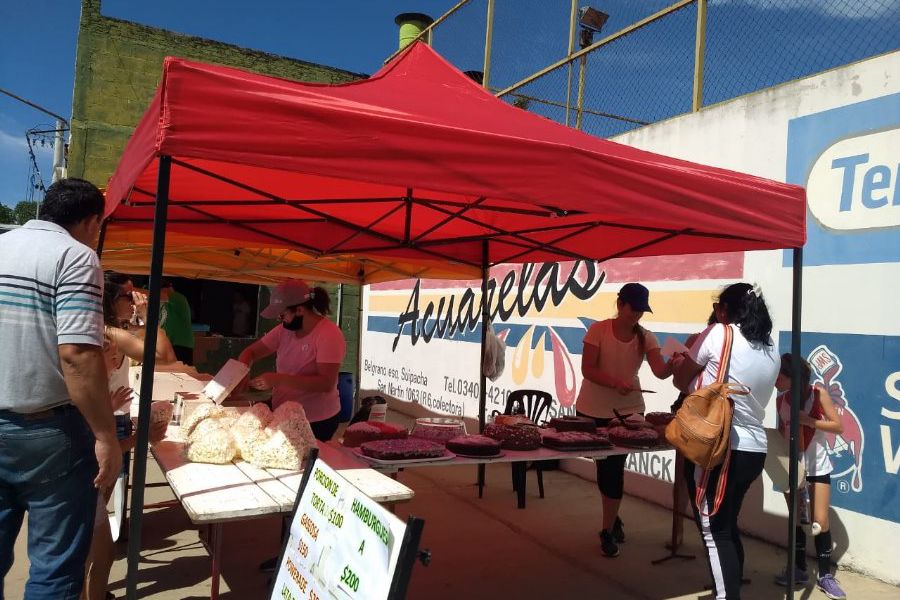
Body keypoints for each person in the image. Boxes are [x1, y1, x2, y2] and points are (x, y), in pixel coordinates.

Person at [0, 178, 122, 599]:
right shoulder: (75, 257)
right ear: (92, 221)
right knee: (54, 568)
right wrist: (107, 437)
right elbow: (77, 355)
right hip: (48, 432)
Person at [671, 282, 779, 600]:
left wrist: (681, 363)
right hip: (753, 448)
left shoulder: (719, 333)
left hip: (722, 447)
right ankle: (731, 586)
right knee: (727, 524)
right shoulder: (770, 344)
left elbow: (680, 379)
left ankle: (727, 595)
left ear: (723, 310)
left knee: (713, 527)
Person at [81, 274, 175, 600]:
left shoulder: (106, 333)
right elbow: (164, 355)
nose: (133, 299)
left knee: (94, 524)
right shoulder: (108, 334)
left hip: (110, 423)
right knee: (93, 538)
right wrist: (149, 316)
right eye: (126, 295)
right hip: (100, 433)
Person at [576, 282, 672, 558]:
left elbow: (660, 371)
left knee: (613, 470)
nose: (637, 315)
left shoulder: (646, 337)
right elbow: (588, 369)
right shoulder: (598, 330)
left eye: (642, 311)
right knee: (603, 467)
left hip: (630, 410)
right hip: (592, 409)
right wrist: (614, 382)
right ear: (620, 305)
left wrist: (677, 361)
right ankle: (613, 517)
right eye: (634, 309)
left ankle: (606, 530)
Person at [773, 354, 846, 599]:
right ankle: (799, 568)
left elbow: (838, 426)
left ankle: (825, 576)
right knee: (798, 521)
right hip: (793, 469)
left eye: (778, 376)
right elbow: (782, 433)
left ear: (792, 377)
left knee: (820, 522)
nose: (774, 381)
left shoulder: (818, 394)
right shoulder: (780, 400)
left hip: (818, 468)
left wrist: (809, 421)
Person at [239, 279, 346, 441]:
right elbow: (251, 352)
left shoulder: (328, 334)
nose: (280, 320)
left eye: (282, 315)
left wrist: (278, 380)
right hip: (283, 413)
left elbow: (326, 383)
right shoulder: (284, 330)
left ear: (300, 310)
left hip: (316, 420)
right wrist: (242, 372)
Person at [159, 279, 194, 365]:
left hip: (180, 346)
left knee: (181, 375)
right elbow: (158, 325)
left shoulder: (178, 298)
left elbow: (158, 295)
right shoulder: (163, 304)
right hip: (167, 346)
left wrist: (132, 290)